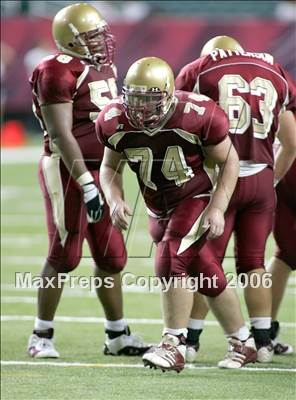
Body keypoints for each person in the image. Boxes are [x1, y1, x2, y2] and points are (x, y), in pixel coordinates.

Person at [96, 56, 258, 372]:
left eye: (151, 100)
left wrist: (218, 207)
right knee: (205, 271)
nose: (142, 109)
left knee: (170, 258)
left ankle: (174, 344)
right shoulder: (113, 119)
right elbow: (108, 167)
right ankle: (243, 342)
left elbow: (230, 161)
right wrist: (115, 199)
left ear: (169, 94)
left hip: (196, 195)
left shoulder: (197, 114)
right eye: (136, 99)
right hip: (157, 205)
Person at [28, 2, 150, 359]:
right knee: (64, 254)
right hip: (66, 169)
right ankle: (41, 335)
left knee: (112, 257)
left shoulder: (104, 67)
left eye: (101, 34)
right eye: (92, 36)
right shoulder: (55, 69)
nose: (101, 42)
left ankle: (117, 334)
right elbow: (61, 133)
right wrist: (85, 182)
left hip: (104, 168)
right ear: (71, 39)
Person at [175, 35, 296, 363]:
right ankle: (263, 343)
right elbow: (291, 142)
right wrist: (269, 181)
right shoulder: (274, 70)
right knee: (254, 263)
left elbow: (182, 128)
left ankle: (191, 342)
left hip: (220, 181)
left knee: (205, 263)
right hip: (260, 178)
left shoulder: (200, 70)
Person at [267, 114, 296, 354]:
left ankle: (263, 329)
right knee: (286, 253)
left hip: (281, 162)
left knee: (286, 253)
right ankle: (264, 329)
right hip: (286, 157)